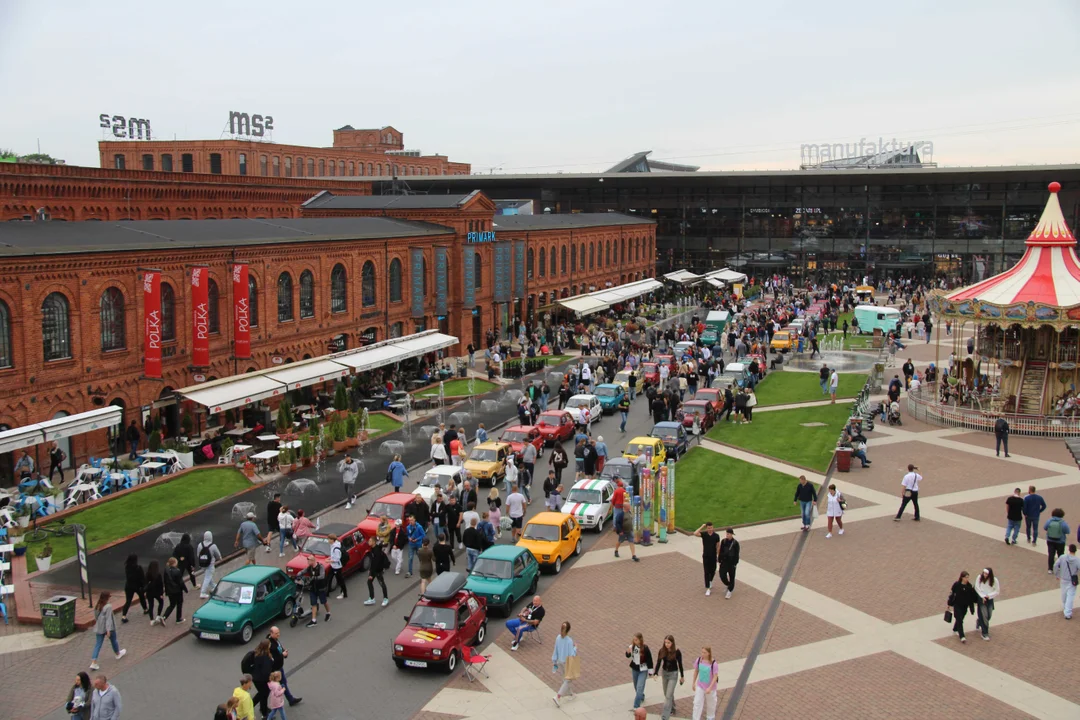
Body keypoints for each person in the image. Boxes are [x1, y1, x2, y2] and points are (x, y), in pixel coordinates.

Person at [266, 626, 302, 707]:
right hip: (274, 669)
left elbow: (279, 648)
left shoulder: (275, 640)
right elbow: (272, 658)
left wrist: (283, 652)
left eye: (279, 632)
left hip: (279, 667)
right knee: (270, 687)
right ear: (271, 633)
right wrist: (282, 655)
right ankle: (262, 705)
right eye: (276, 633)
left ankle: (290, 699)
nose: (278, 634)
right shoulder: (270, 645)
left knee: (283, 683)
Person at [89, 592, 126, 670]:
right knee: (114, 640)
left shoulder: (98, 605)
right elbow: (109, 619)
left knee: (98, 644)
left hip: (99, 627)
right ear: (106, 598)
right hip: (109, 628)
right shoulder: (108, 606)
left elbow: (96, 616)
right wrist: (108, 630)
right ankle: (117, 654)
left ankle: (93, 662)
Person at [655, 635, 684, 720]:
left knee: (668, 696)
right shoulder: (662, 651)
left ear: (672, 643)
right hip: (665, 673)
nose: (667, 644)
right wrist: (656, 673)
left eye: (669, 643)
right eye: (665, 642)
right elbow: (658, 662)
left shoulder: (677, 652)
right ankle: (673, 707)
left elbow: (680, 664)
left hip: (673, 674)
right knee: (667, 693)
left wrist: (682, 676)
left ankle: (665, 716)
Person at [551, 620, 577, 707]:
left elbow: (555, 650)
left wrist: (554, 661)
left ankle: (571, 694)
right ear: (568, 629)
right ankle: (558, 696)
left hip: (559, 661)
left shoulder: (558, 637)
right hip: (567, 662)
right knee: (568, 680)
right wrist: (575, 648)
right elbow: (571, 654)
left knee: (564, 678)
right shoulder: (569, 641)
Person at [155, 556, 187, 625]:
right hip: (177, 591)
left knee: (172, 604)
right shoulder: (177, 571)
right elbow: (180, 582)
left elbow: (165, 581)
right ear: (175, 563)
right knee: (179, 603)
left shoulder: (166, 570)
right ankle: (178, 619)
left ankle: (164, 617)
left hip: (169, 591)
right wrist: (185, 589)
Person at [948, 570, 978, 642]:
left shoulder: (969, 586)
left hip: (965, 606)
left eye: (968, 577)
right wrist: (949, 603)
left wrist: (973, 606)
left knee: (960, 619)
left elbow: (972, 597)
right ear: (962, 577)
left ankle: (955, 628)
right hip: (957, 605)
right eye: (966, 577)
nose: (967, 579)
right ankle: (962, 636)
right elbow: (952, 594)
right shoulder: (956, 585)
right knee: (959, 619)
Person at [626, 632, 653, 710]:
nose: (634, 641)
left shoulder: (645, 648)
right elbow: (628, 655)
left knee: (639, 686)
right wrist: (627, 652)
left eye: (636, 640)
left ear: (640, 640)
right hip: (635, 668)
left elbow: (649, 660)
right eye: (634, 640)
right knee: (636, 685)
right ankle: (641, 696)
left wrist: (651, 672)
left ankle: (636, 705)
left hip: (643, 669)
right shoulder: (632, 647)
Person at [691, 646, 719, 720]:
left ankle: (710, 717)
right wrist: (693, 682)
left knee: (711, 704)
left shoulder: (713, 663)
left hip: (710, 687)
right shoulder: (699, 660)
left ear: (709, 653)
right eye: (702, 652)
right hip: (700, 685)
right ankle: (695, 718)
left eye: (704, 652)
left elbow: (715, 676)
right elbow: (696, 671)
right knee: (697, 702)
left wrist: (710, 688)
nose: (702, 654)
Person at [693, 522, 720, 596]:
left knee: (713, 570)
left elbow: (718, 546)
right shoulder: (704, 535)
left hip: (713, 556)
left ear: (713, 528)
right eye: (708, 528)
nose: (710, 529)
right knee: (706, 572)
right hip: (706, 556)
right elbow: (695, 533)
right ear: (706, 528)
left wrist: (718, 556)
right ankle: (708, 588)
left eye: (711, 528)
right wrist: (702, 526)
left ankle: (710, 581)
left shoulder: (716, 536)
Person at [303, 555, 331, 627]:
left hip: (321, 588)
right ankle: (314, 620)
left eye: (309, 560)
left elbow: (322, 576)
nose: (308, 562)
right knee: (313, 604)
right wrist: (299, 574)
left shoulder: (320, 567)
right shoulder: (310, 568)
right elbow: (304, 571)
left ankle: (328, 613)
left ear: (312, 561)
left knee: (324, 602)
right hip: (313, 588)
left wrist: (314, 578)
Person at [363, 535, 390, 607]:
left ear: (374, 542)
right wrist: (370, 570)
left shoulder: (376, 551)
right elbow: (372, 562)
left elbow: (376, 563)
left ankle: (385, 598)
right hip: (374, 570)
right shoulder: (372, 549)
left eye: (370, 541)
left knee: (382, 584)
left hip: (378, 570)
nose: (369, 542)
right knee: (369, 582)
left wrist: (371, 574)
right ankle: (372, 598)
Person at [974, 568, 1000, 641]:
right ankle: (984, 633)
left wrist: (989, 595)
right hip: (981, 599)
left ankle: (979, 621)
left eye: (986, 574)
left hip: (989, 599)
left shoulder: (995, 580)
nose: (985, 575)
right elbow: (977, 587)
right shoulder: (979, 577)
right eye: (984, 573)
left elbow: (997, 591)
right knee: (984, 616)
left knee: (989, 615)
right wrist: (982, 596)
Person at [119, 554, 146, 623]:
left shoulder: (127, 567)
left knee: (128, 601)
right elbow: (142, 578)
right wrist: (143, 586)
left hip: (129, 586)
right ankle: (145, 609)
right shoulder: (138, 568)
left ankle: (124, 616)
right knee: (142, 597)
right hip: (138, 586)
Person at [196, 531, 223, 599]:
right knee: (207, 577)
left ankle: (213, 586)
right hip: (210, 564)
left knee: (208, 575)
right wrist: (219, 558)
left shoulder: (200, 545)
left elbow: (198, 555)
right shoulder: (213, 546)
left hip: (202, 564)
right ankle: (203, 592)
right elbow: (217, 555)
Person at [1045, 508, 1070, 573]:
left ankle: (1050, 569)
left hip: (1050, 540)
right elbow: (1067, 531)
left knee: (1051, 554)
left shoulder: (1049, 521)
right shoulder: (1063, 523)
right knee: (1060, 554)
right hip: (1060, 541)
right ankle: (1059, 567)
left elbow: (1045, 527)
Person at [718, 528, 739, 599]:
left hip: (732, 563)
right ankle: (728, 585)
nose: (727, 535)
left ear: (732, 534)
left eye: (729, 534)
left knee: (732, 577)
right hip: (724, 562)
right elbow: (720, 551)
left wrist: (735, 563)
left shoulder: (735, 543)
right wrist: (719, 560)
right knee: (722, 575)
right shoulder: (723, 541)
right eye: (726, 534)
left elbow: (737, 554)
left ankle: (730, 591)